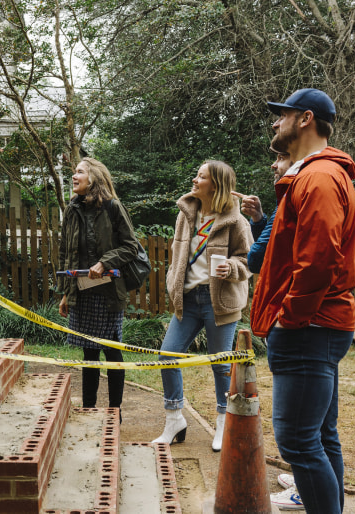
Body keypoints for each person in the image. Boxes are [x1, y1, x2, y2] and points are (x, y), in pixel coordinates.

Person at [251, 88, 355, 513]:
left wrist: (289, 318)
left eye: (282, 115)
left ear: (305, 119)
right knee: (320, 437)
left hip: (308, 329)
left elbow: (318, 260)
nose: (274, 123)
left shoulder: (318, 177)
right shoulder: (317, 175)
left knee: (298, 440)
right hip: (317, 327)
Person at [152, 160, 252, 451]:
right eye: (196, 174)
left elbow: (248, 261)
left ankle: (224, 423)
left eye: (201, 176)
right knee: (167, 356)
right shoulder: (186, 214)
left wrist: (231, 268)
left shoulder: (236, 221)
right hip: (189, 299)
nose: (194, 180)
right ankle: (174, 419)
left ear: (216, 184)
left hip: (219, 300)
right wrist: (173, 282)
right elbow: (176, 255)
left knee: (220, 365)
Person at [57, 157, 139, 418]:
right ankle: (89, 410)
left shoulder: (113, 207)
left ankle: (115, 411)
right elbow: (65, 253)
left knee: (112, 350)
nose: (74, 176)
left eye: (79, 171)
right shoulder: (72, 209)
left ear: (93, 177)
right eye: (74, 172)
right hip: (82, 292)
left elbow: (130, 247)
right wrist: (65, 292)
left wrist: (104, 263)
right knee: (89, 352)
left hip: (108, 292)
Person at [239, 147, 292, 273]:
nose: (273, 165)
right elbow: (273, 246)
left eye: (281, 158)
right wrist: (258, 217)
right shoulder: (284, 196)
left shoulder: (291, 196)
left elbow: (256, 259)